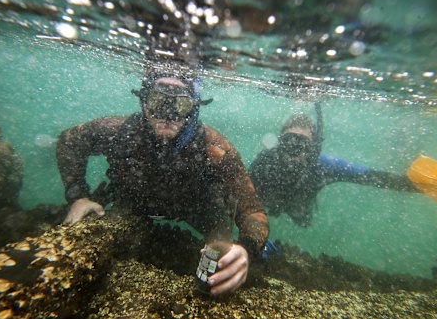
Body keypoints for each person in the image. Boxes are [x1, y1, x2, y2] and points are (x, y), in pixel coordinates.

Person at [56, 66, 269, 295]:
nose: (168, 114)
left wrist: (246, 249)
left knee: (222, 254)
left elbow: (252, 209)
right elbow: (70, 140)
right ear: (143, 102)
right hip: (134, 201)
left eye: (181, 104)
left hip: (197, 208)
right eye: (158, 101)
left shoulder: (215, 147)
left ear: (194, 108)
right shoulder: (121, 131)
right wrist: (78, 196)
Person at [249, 103, 417, 227]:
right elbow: (239, 196)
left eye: (301, 145)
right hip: (267, 201)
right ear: (280, 143)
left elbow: (369, 176)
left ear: (312, 148)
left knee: (302, 220)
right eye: (289, 142)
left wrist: (416, 185)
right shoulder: (265, 162)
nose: (294, 152)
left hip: (299, 208)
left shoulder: (323, 166)